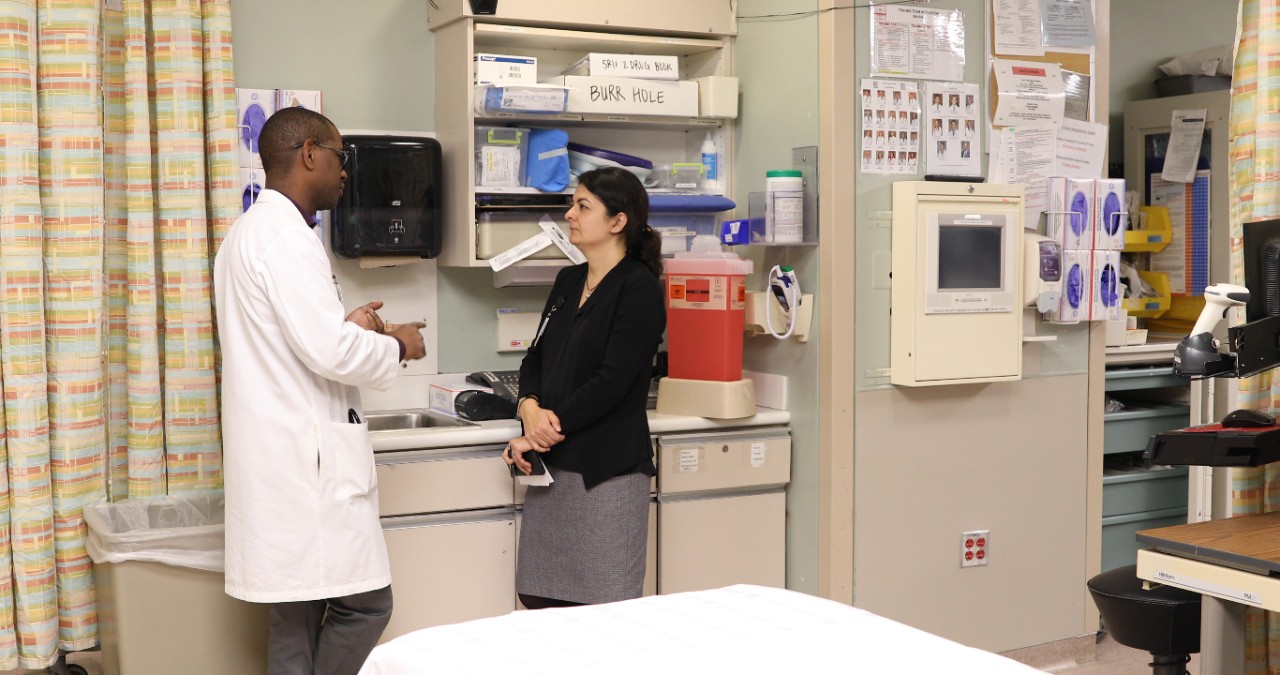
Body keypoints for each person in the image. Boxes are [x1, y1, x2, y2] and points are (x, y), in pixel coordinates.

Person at [214, 106, 428, 674]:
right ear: (309, 154)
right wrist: (398, 345)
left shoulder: (250, 233)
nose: (345, 171)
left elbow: (297, 339)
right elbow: (328, 352)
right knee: (367, 606)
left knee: (295, 617)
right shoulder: (285, 238)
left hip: (278, 457)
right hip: (303, 466)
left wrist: (346, 326)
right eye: (339, 157)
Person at [502, 166, 665, 610]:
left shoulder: (639, 288)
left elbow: (612, 382)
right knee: (539, 599)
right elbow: (535, 357)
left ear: (618, 221)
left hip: (607, 475)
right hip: (554, 471)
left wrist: (544, 428)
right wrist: (528, 407)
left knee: (603, 614)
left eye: (582, 206)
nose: (569, 214)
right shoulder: (568, 281)